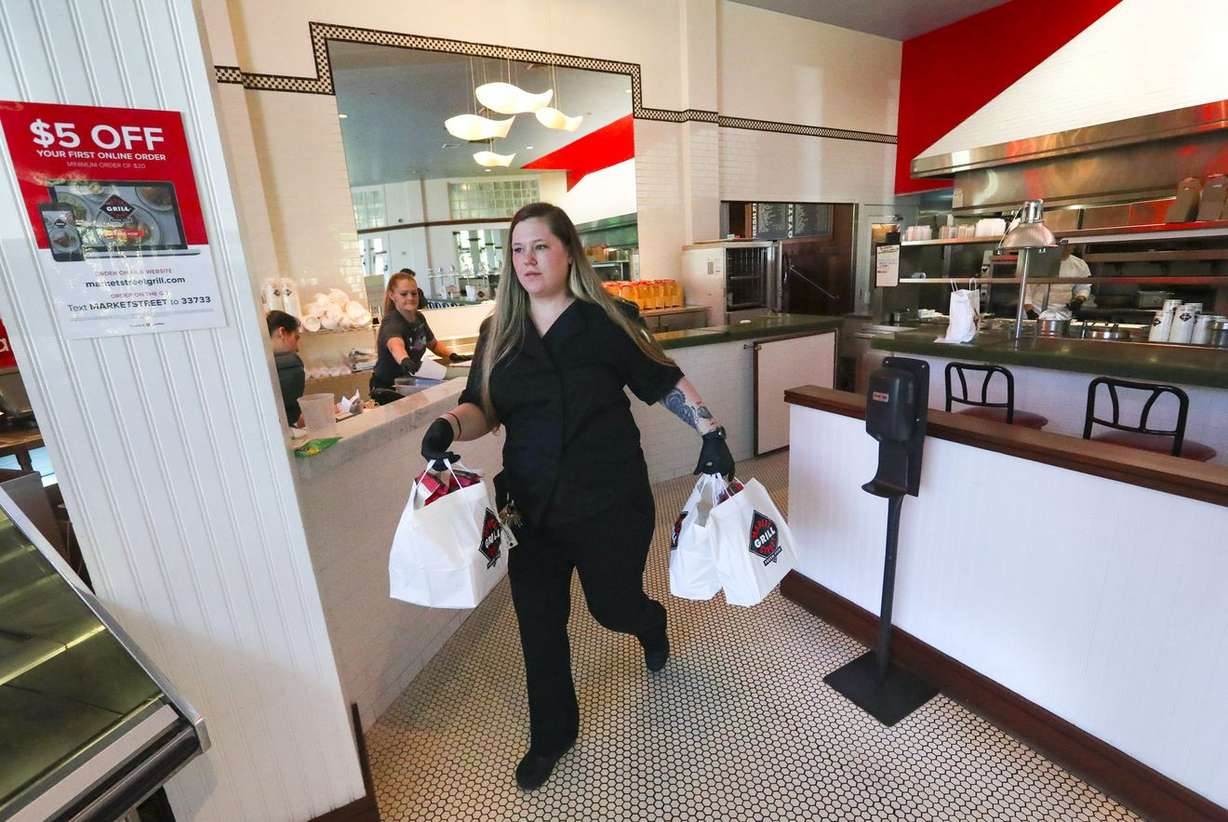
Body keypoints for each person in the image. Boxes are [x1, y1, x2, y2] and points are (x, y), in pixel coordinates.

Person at [419, 203, 734, 791]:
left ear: (568, 253)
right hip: (529, 505)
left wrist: (710, 432)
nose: (528, 260)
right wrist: (450, 427)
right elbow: (482, 406)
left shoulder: (606, 319)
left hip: (609, 497)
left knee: (611, 607)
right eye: (518, 250)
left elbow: (662, 380)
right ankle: (553, 735)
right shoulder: (499, 331)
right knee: (539, 625)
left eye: (540, 246)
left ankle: (649, 622)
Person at [370, 269, 471, 393]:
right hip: (387, 387)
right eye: (404, 294)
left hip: (408, 382)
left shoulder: (419, 318)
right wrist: (404, 360)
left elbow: (433, 344)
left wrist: (453, 356)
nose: (410, 298)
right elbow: (395, 345)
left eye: (414, 293)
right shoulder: (392, 321)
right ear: (392, 295)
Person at [1024, 244, 1091, 319]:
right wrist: (1029, 311)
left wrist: (1079, 300)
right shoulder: (1038, 261)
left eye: (1070, 246)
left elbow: (1083, 287)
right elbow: (1026, 289)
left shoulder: (1080, 264)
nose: (1066, 248)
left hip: (1063, 314)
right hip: (1036, 310)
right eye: (1064, 246)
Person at [267, 310, 305, 426]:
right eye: (296, 338)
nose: (297, 348)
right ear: (282, 332)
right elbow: (289, 416)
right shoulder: (290, 364)